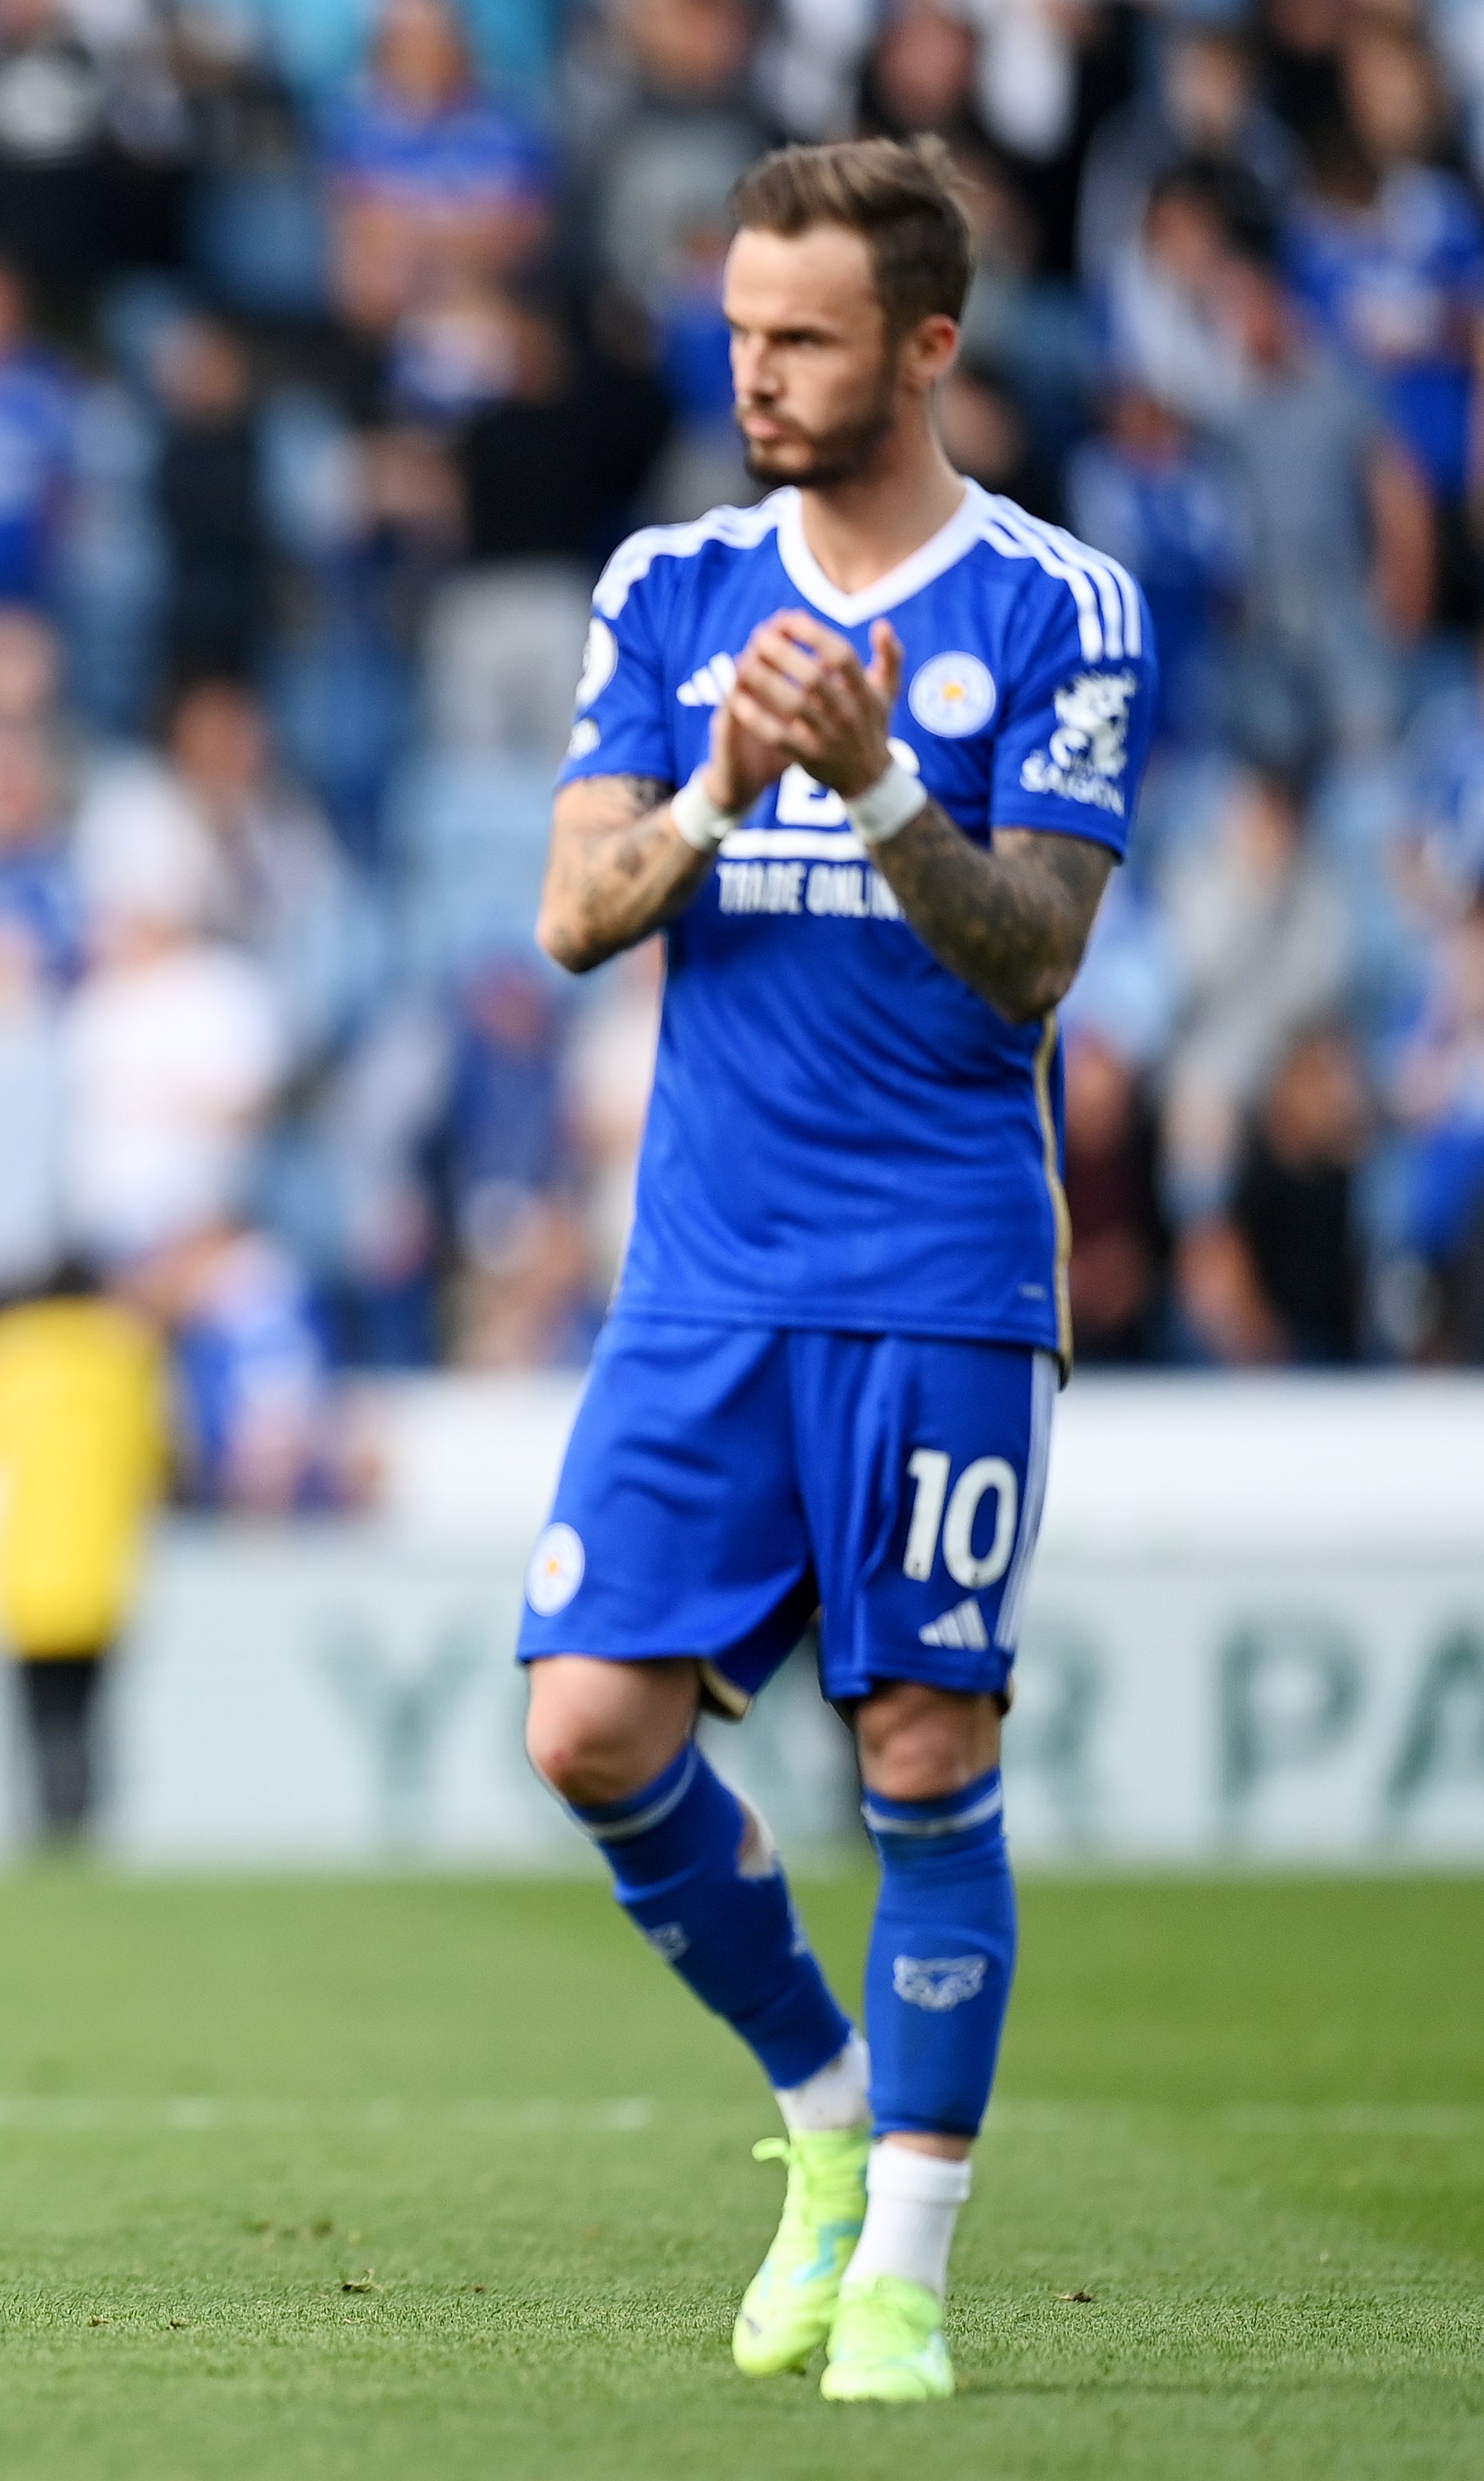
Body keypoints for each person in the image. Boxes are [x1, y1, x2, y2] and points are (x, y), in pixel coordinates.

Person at [528, 139, 1157, 2405]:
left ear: (922, 347)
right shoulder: (670, 581)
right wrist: (711, 790)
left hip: (932, 1271)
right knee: (581, 1724)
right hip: (699, 1276)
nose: (751, 373)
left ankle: (895, 2265)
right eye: (732, 331)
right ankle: (812, 2109)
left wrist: (882, 789)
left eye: (795, 338)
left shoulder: (1055, 607)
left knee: (916, 1741)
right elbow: (567, 914)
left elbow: (1029, 969)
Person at [0, 1286, 169, 1848]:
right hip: (101, 1571)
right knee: (89, 1716)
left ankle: (46, 1825)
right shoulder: (128, 1357)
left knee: (37, 1717)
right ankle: (82, 1824)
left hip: (20, 1571)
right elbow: (160, 1457)